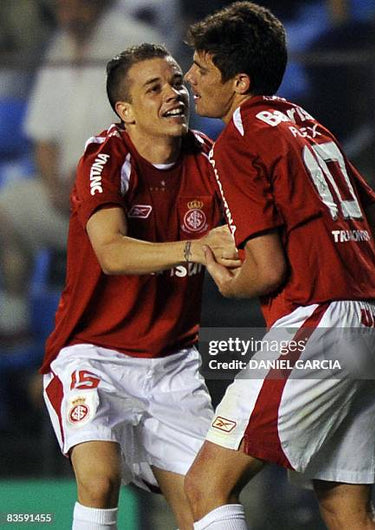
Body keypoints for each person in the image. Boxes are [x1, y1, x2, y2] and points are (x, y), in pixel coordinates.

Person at [183, 2, 375, 529]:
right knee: (346, 509)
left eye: (202, 67)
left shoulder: (237, 138)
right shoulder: (305, 123)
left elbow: (266, 270)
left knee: (206, 487)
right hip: (372, 322)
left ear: (238, 81)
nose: (190, 78)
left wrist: (222, 275)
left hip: (318, 322)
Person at [41, 43, 239, 530]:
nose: (174, 95)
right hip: (92, 354)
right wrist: (196, 249)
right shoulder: (103, 158)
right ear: (124, 111)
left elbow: (241, 248)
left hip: (171, 366)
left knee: (208, 502)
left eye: (175, 82)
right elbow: (111, 252)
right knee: (99, 478)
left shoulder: (209, 161)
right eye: (155, 88)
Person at [0, 0, 162, 340]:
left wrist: (88, 180)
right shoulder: (60, 47)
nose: (67, 14)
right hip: (67, 197)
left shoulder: (138, 43)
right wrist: (53, 185)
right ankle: (14, 325)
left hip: (125, 196)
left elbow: (150, 134)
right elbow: (43, 135)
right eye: (61, 7)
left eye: (75, 5)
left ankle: (119, 327)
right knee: (7, 207)